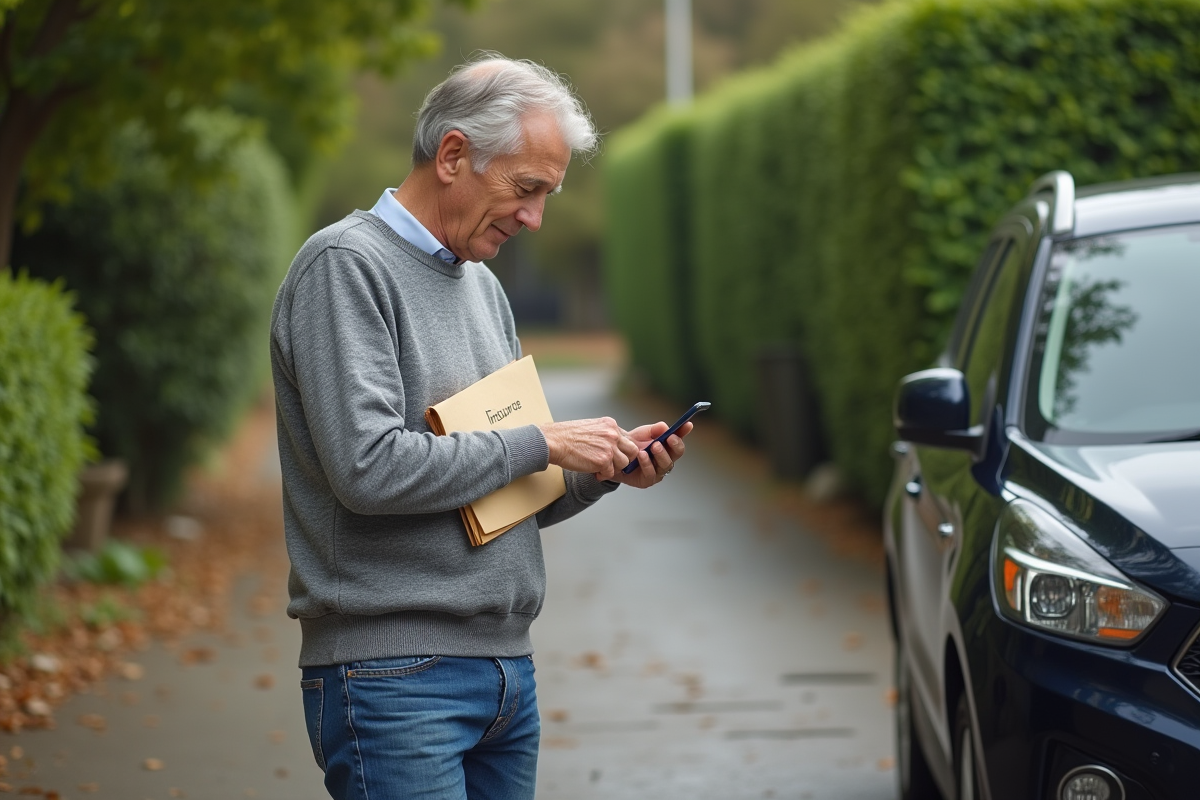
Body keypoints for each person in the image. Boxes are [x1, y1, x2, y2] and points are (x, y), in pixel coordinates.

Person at [269, 55, 692, 800]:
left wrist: (599, 470)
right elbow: (368, 470)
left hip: (505, 675)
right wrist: (543, 440)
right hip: (391, 679)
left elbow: (499, 498)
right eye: (526, 189)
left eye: (547, 196)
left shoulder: (484, 288)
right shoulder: (343, 266)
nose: (534, 218)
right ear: (454, 155)